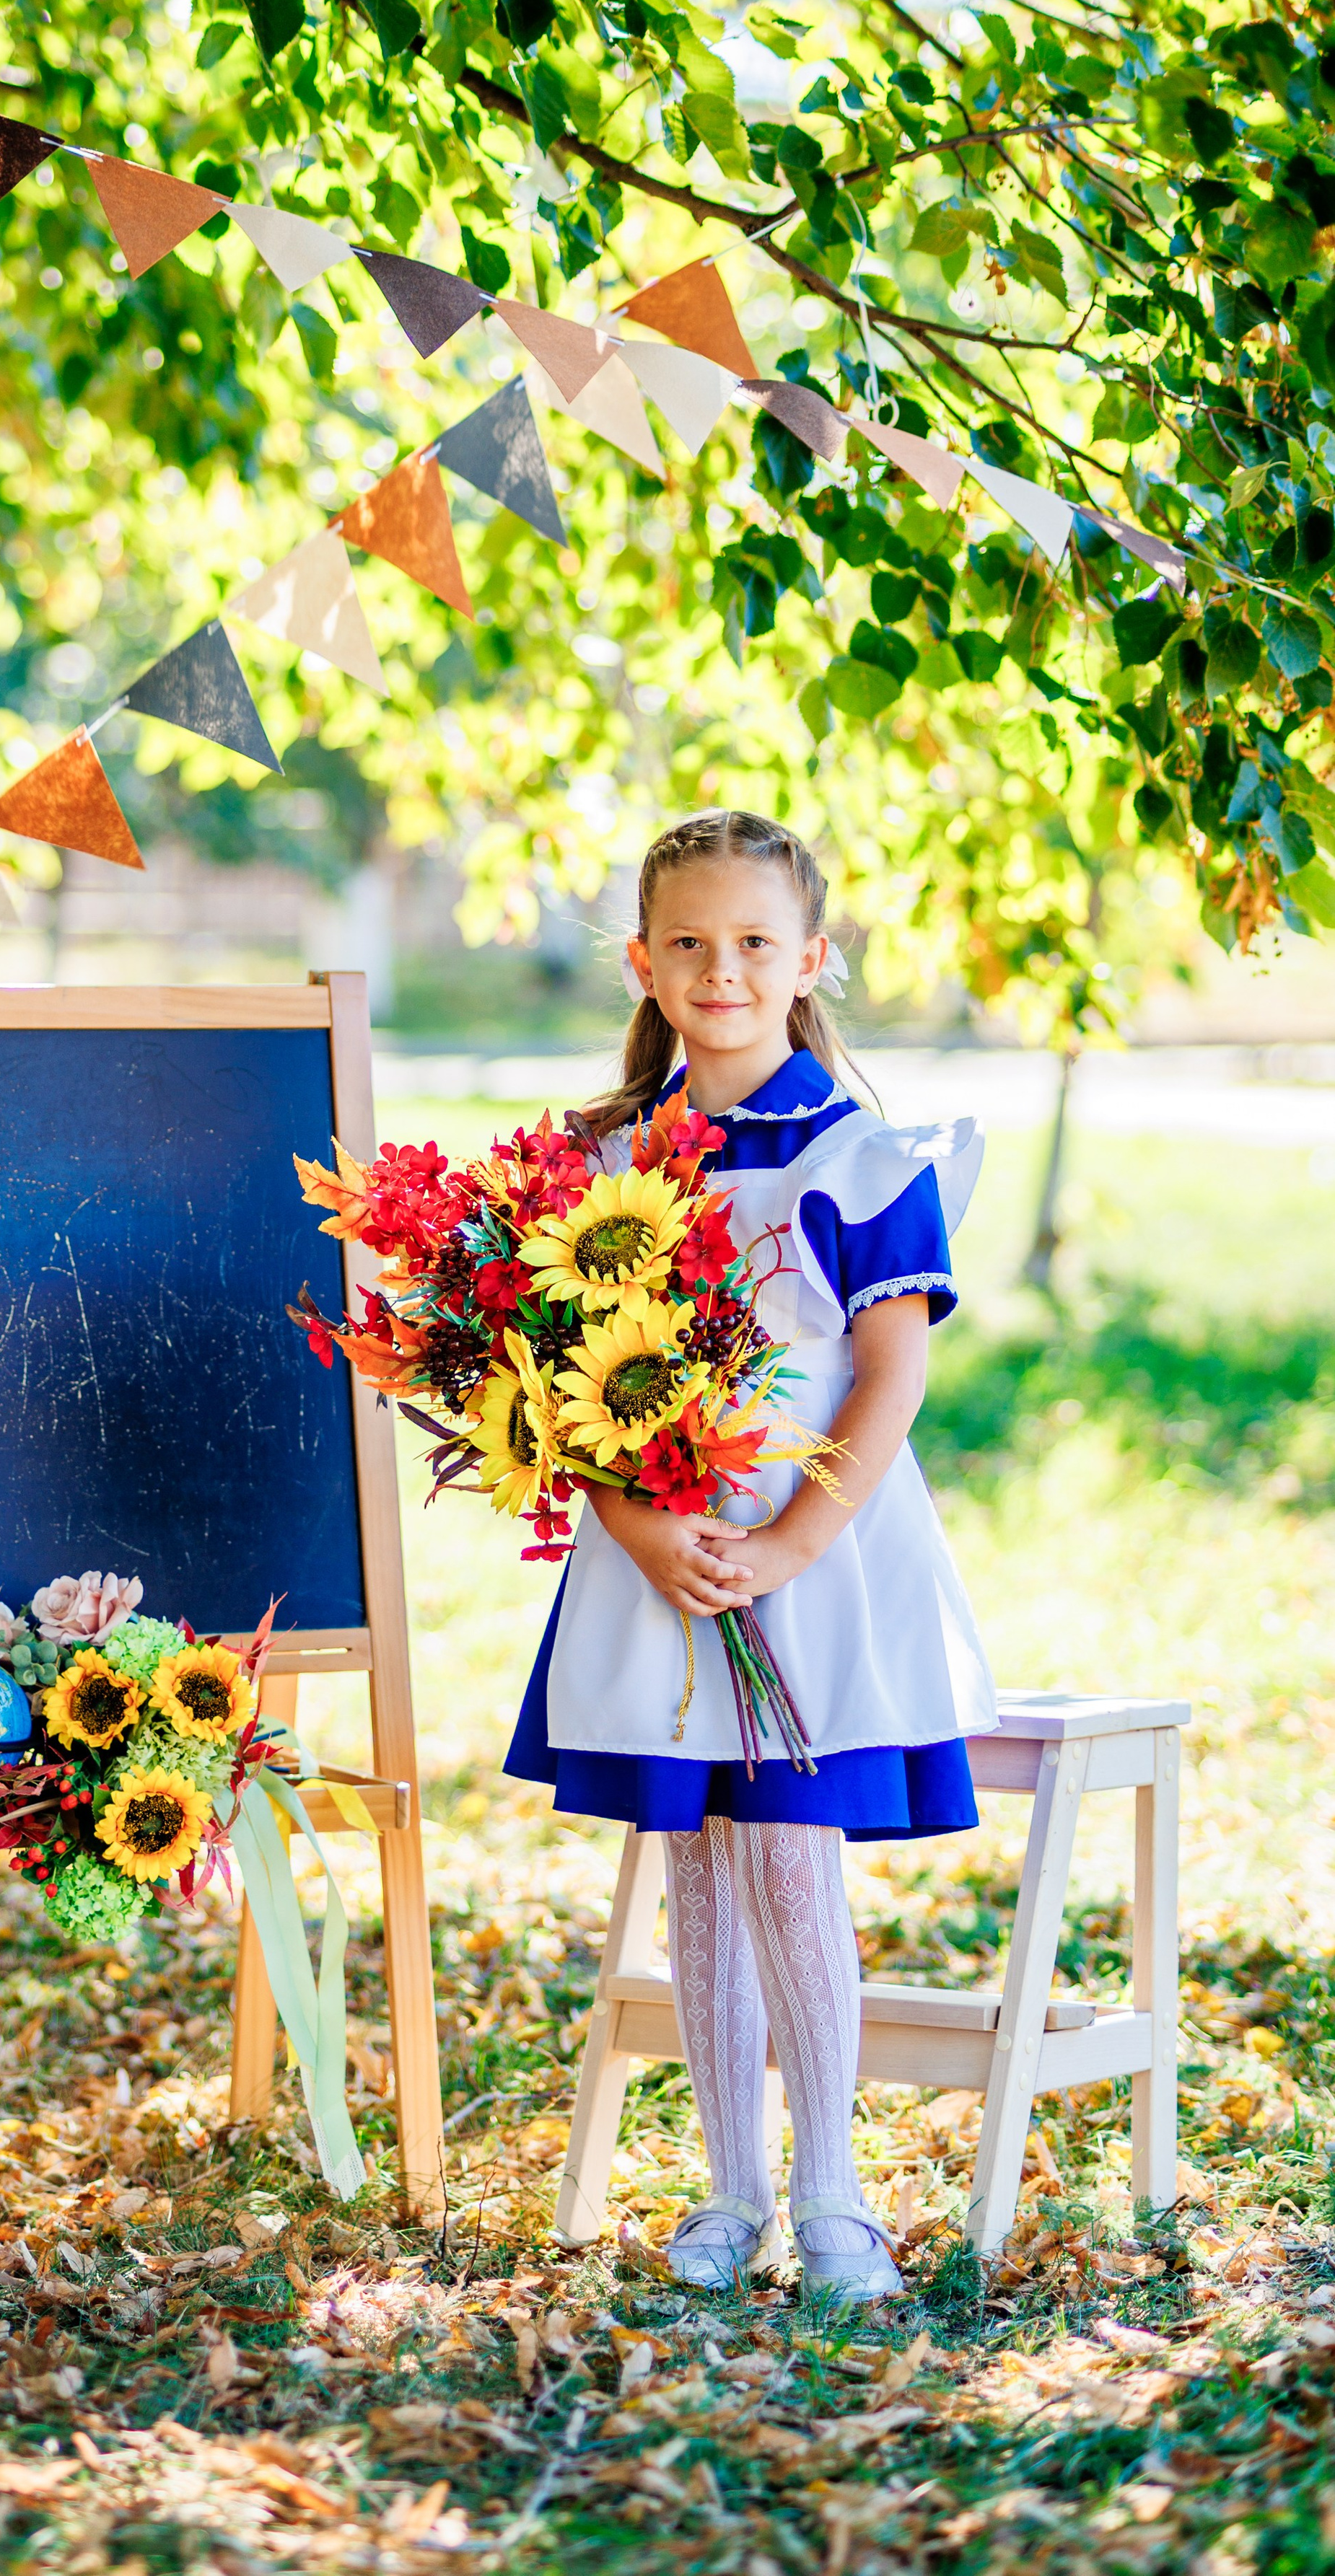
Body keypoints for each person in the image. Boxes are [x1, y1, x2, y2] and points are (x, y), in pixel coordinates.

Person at [505, 808, 997, 2302]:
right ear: (645, 964)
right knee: (694, 1868)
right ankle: (726, 2192)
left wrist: (787, 1539)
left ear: (807, 960)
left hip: (813, 1555)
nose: (722, 970)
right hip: (654, 1554)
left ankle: (833, 2195)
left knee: (786, 1858)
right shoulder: (599, 1163)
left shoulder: (855, 1153)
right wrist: (642, 1524)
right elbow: (549, 1365)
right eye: (690, 944)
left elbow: (886, 1372)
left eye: (753, 944)